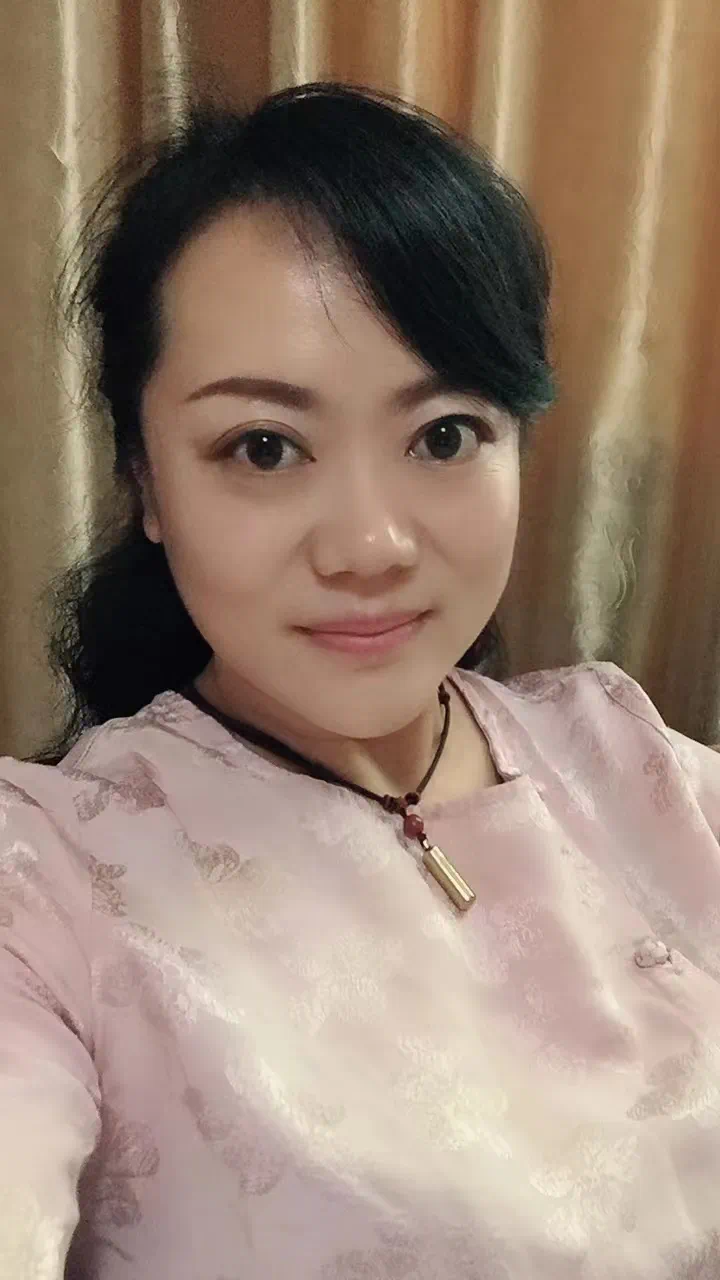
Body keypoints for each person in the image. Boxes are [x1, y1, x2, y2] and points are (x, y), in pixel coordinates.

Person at [1, 81, 719, 1280]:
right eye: (264, 447)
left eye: (443, 434)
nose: (371, 545)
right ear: (146, 480)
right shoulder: (51, 879)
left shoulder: (629, 758)